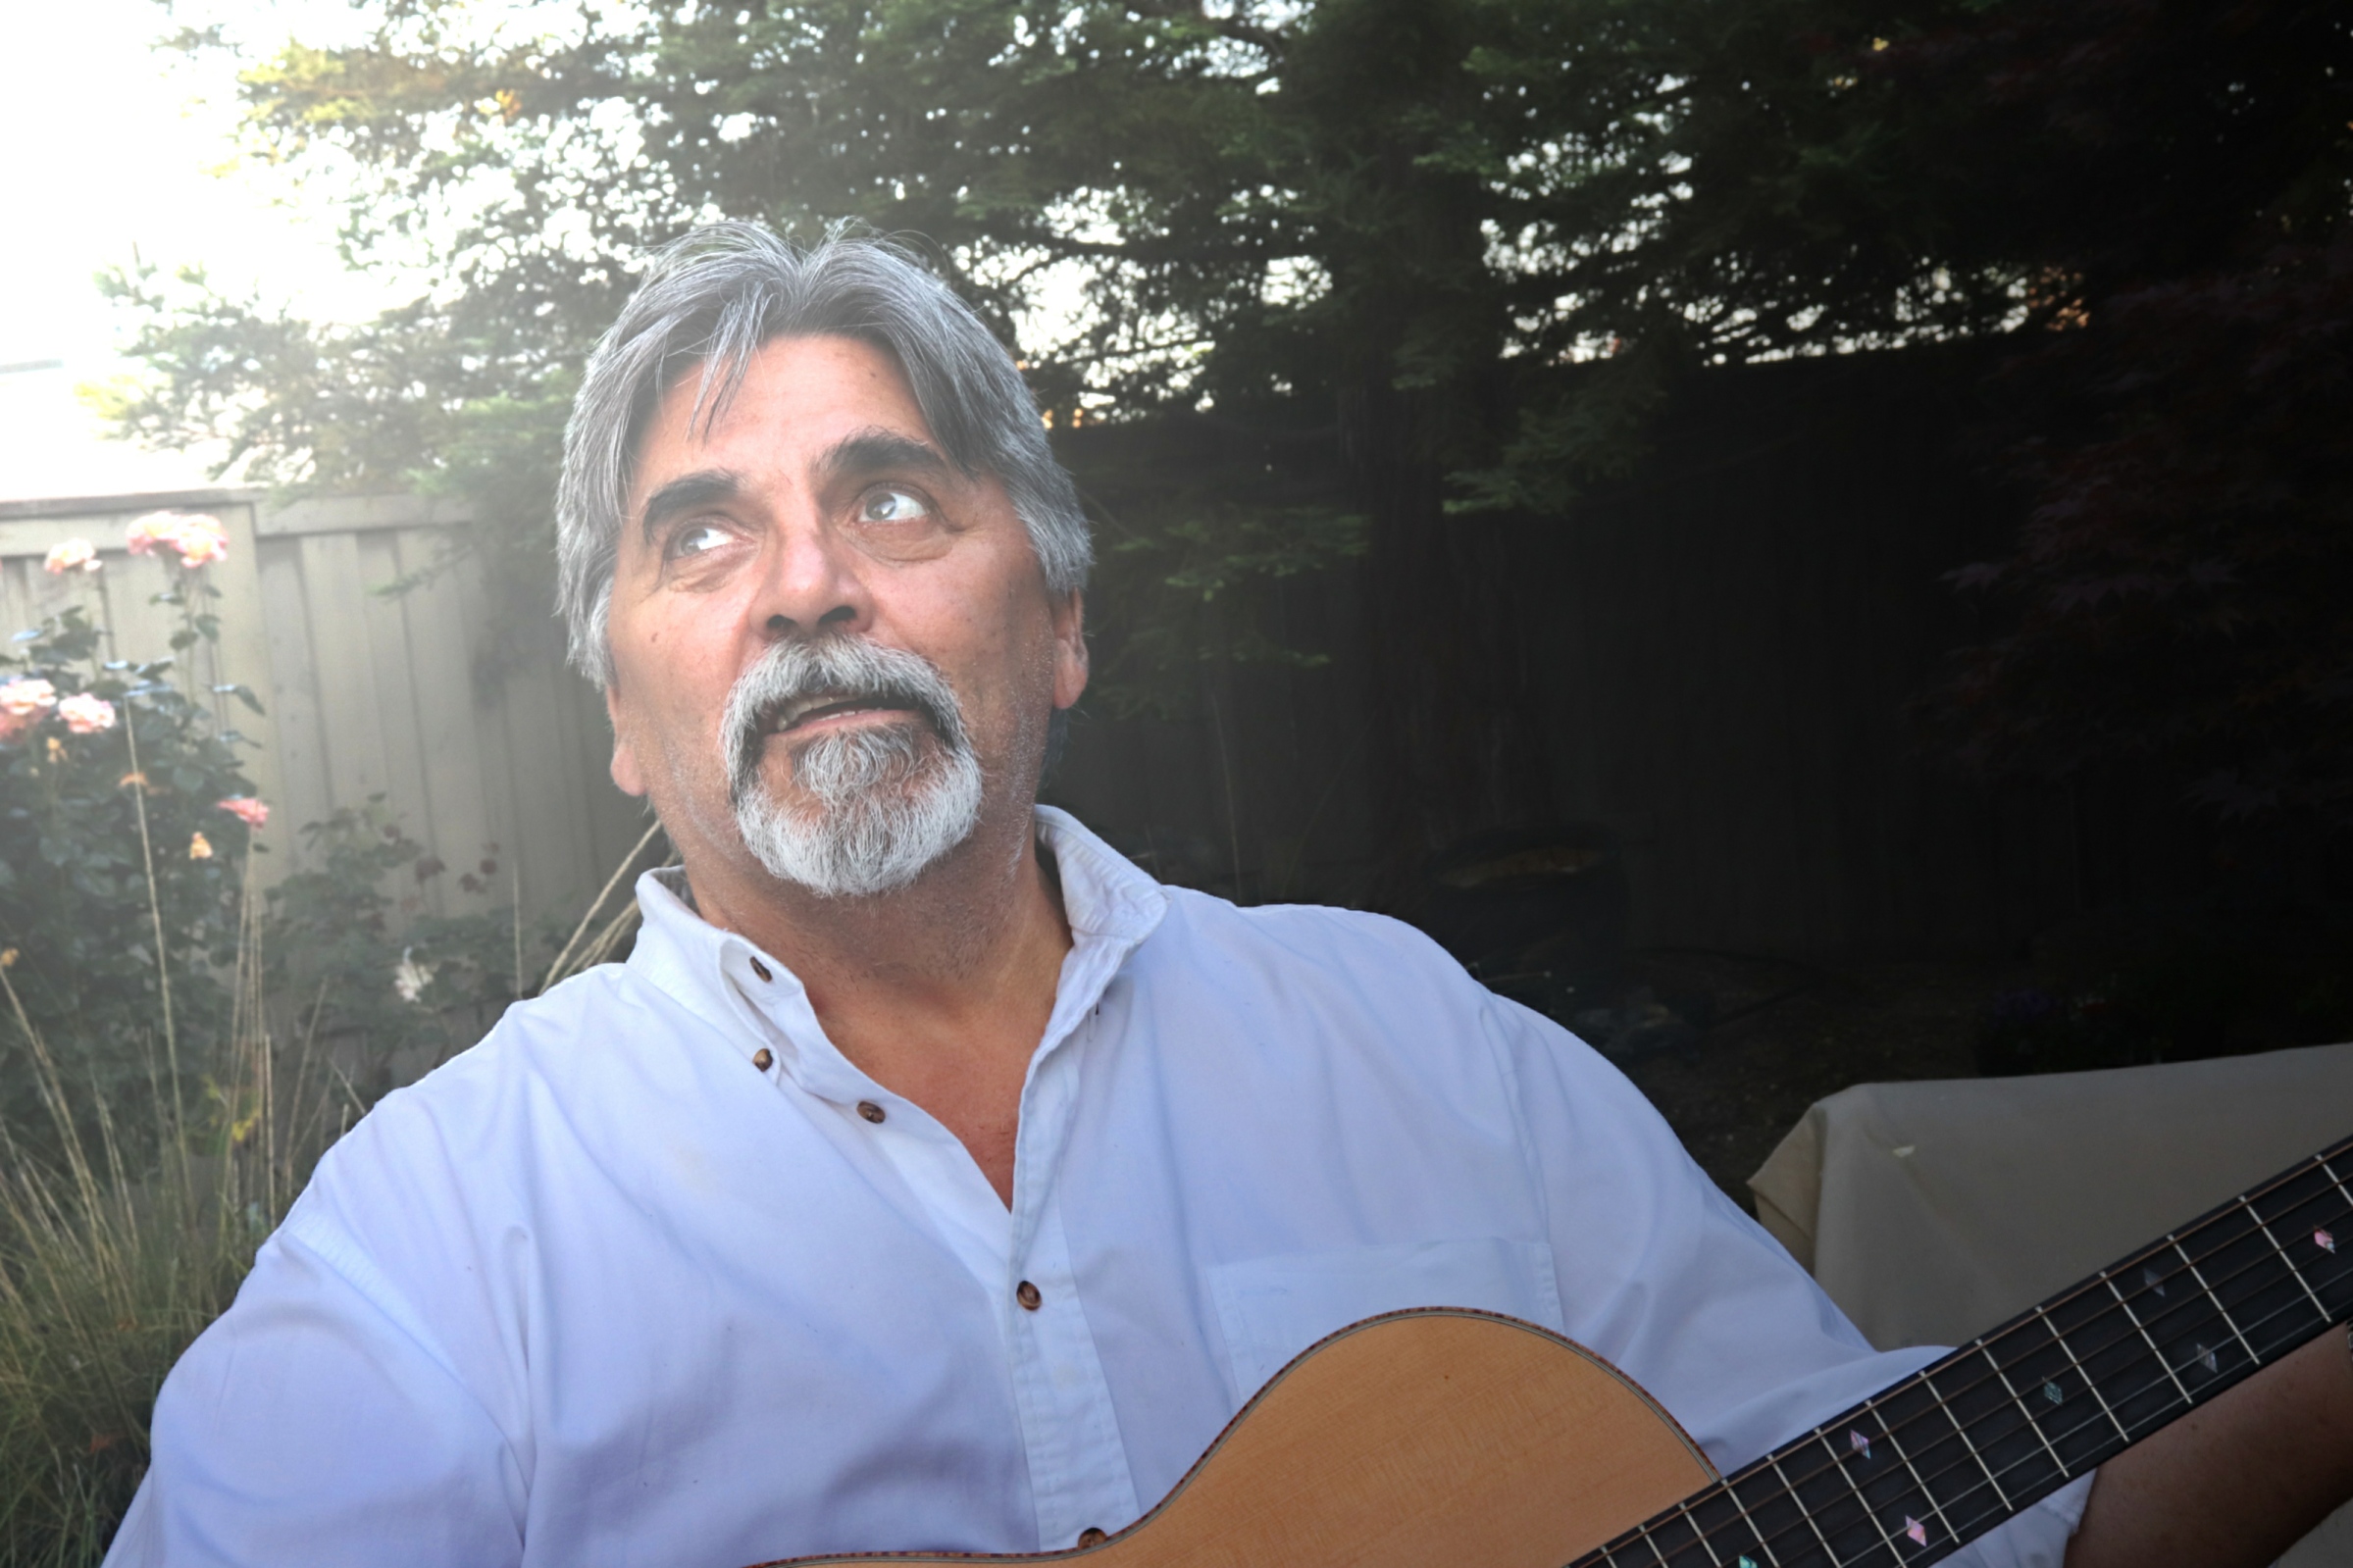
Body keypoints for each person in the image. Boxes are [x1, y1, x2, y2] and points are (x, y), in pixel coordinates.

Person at [107, 224, 2352, 1568]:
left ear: (1059, 623)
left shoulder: (1419, 1042)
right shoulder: (441, 1232)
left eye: (893, 495)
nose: (806, 583)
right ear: (623, 714)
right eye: (702, 536)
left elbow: (1967, 1516)